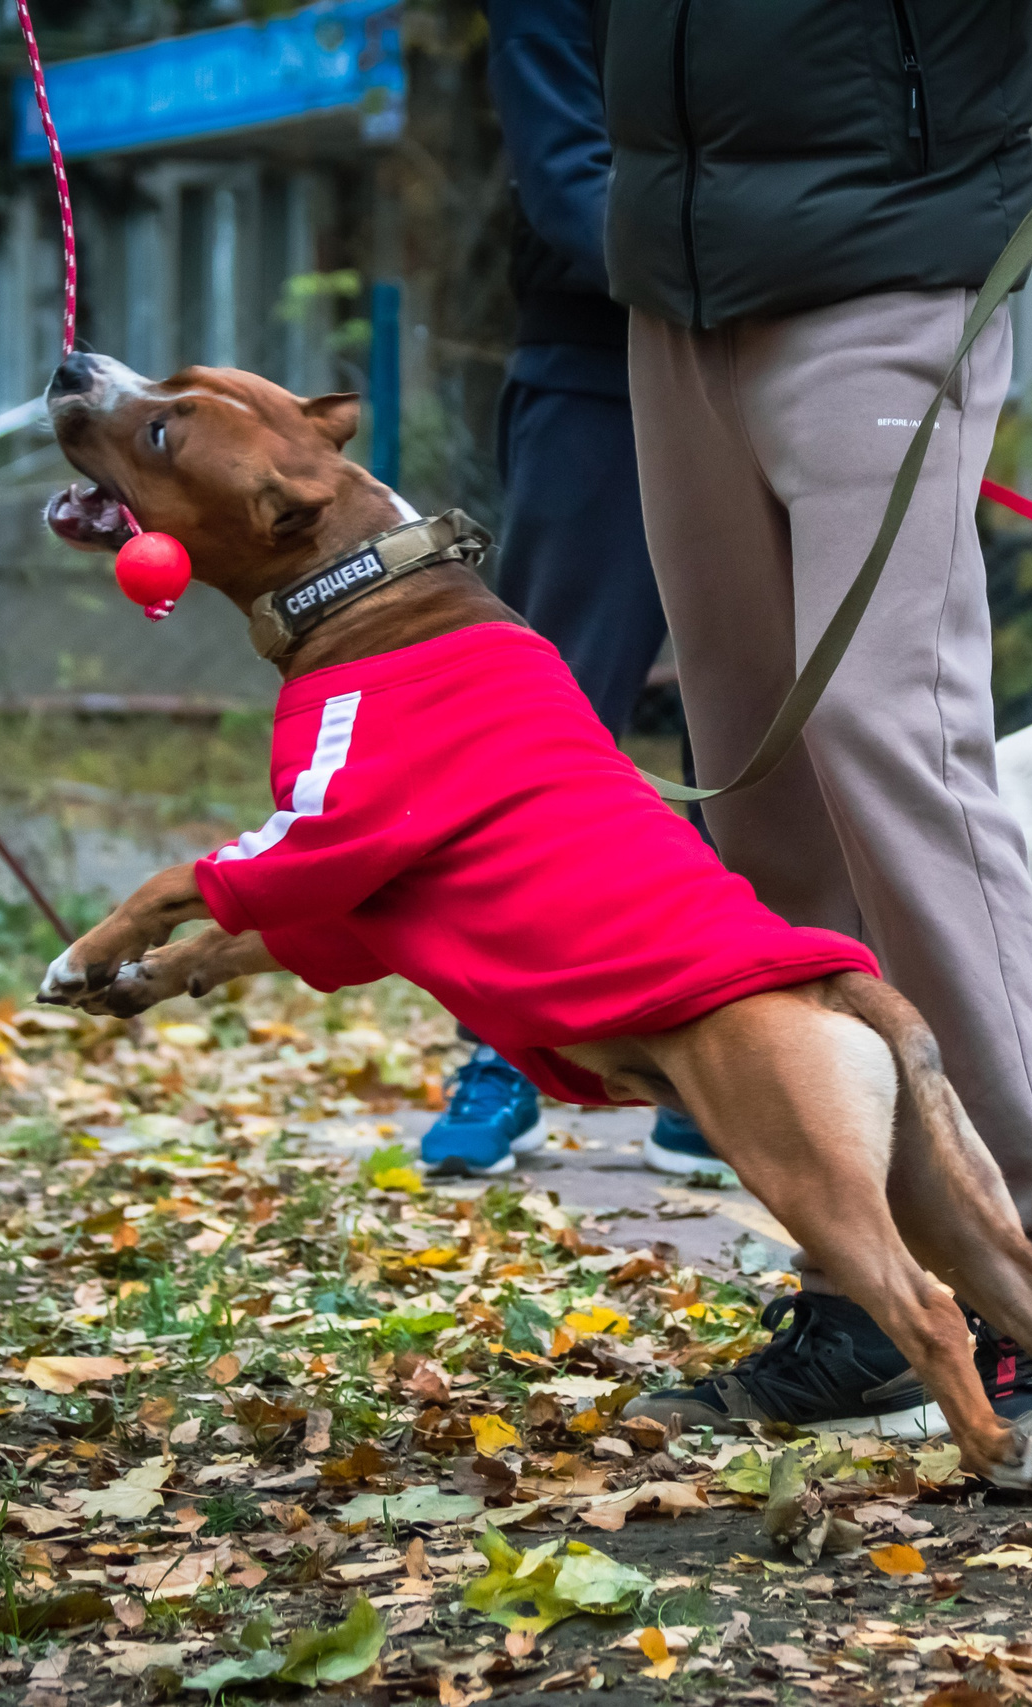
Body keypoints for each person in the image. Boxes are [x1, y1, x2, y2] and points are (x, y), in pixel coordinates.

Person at [598, 0, 1032, 1459]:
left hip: (888, 258)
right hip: (678, 285)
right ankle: (871, 1288)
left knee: (885, 729)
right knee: (761, 780)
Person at [418, 0, 724, 1181]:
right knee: (547, 732)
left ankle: (716, 1058)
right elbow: (568, 180)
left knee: (752, 731)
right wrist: (742, 273)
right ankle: (500, 1047)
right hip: (597, 368)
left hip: (768, 364)